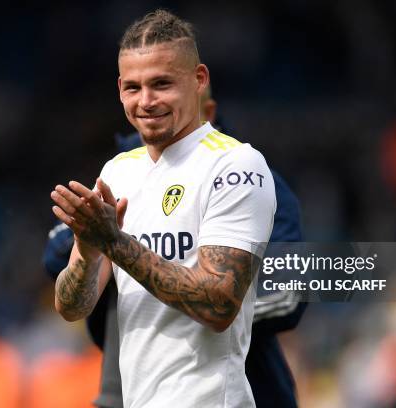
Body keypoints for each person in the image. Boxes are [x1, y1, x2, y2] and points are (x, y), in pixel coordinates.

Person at [50, 9, 276, 407]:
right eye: (133, 88)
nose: (146, 101)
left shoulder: (236, 165)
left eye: (161, 84)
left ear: (198, 80)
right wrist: (87, 250)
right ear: (119, 88)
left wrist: (114, 242)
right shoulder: (118, 172)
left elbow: (218, 302)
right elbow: (72, 306)